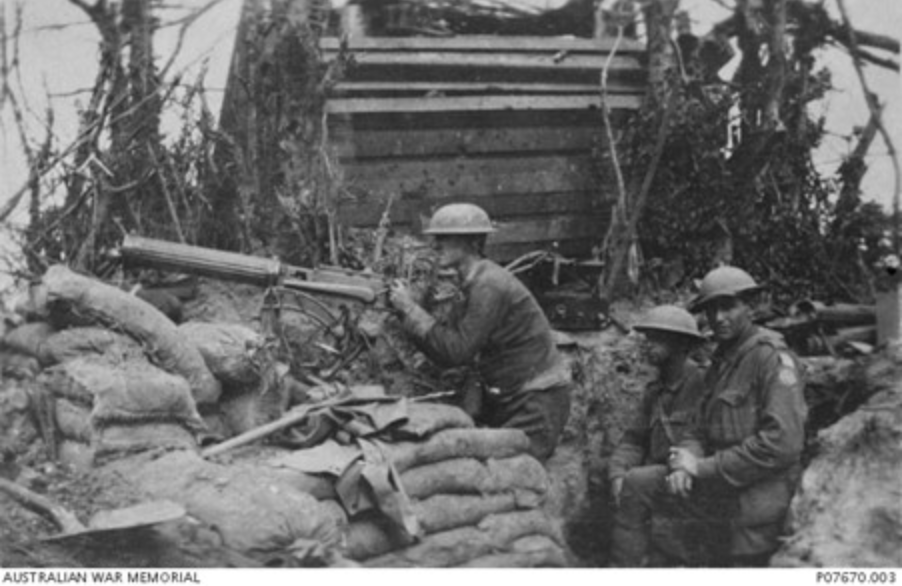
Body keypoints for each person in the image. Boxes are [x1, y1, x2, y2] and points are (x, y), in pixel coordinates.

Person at [613, 266, 807, 567]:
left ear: (751, 307)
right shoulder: (721, 362)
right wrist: (683, 463)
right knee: (638, 483)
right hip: (718, 485)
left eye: (728, 306)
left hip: (754, 495)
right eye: (711, 310)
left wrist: (700, 468)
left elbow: (781, 445)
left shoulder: (771, 359)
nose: (718, 318)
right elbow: (697, 429)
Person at [389, 203, 572, 461]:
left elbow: (456, 352)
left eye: (444, 238)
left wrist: (410, 309)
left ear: (472, 242)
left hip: (536, 405)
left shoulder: (489, 285)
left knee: (508, 473)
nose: (435, 246)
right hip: (509, 397)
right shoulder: (471, 282)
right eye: (435, 238)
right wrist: (406, 313)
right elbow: (444, 349)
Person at [609, 304, 708, 566]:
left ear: (681, 344)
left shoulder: (703, 384)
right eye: (648, 337)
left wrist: (683, 467)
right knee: (603, 472)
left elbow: (702, 438)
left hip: (691, 477)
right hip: (660, 475)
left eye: (658, 338)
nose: (648, 344)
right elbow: (633, 439)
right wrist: (617, 473)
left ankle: (624, 565)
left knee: (637, 481)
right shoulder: (655, 390)